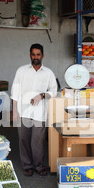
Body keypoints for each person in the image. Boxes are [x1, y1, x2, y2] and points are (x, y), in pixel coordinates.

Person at [11, 43, 58, 177]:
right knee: (23, 140)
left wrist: (42, 95)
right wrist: (14, 110)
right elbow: (15, 91)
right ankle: (27, 165)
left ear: (42, 55)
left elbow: (54, 92)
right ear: (30, 55)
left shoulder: (48, 73)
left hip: (40, 112)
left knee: (38, 141)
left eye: (38, 54)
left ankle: (38, 165)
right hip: (23, 111)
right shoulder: (21, 71)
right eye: (33, 54)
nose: (35, 57)